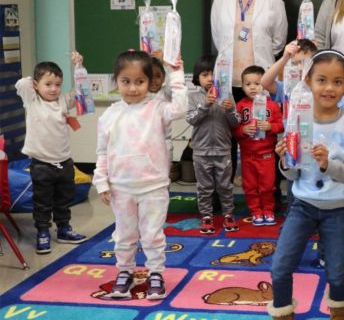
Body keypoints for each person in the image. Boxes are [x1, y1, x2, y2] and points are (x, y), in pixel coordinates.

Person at [270, 50, 344, 320]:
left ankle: (339, 316)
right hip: (303, 204)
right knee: (281, 265)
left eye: (337, 82)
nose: (328, 88)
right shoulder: (297, 120)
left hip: (340, 208)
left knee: (337, 269)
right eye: (321, 80)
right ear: (308, 81)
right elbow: (293, 172)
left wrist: (328, 164)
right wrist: (284, 158)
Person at [92, 50, 187, 300]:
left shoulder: (158, 108)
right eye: (126, 81)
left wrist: (176, 73)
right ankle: (125, 272)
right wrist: (101, 181)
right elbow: (102, 152)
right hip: (121, 187)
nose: (133, 88)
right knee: (124, 234)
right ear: (117, 82)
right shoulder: (110, 115)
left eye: (140, 82)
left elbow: (180, 107)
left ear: (150, 82)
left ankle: (156, 273)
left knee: (153, 234)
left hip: (153, 185)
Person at [15, 58, 87, 255]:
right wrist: (36, 79)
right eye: (48, 84)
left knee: (64, 200)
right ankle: (43, 231)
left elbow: (81, 90)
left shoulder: (63, 101)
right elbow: (21, 84)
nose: (54, 89)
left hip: (64, 163)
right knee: (42, 201)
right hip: (41, 165)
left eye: (57, 84)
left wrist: (78, 66)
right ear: (36, 86)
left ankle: (64, 229)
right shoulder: (32, 101)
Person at [210, 0, 287, 102]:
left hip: (260, 79)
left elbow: (279, 42)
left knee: (259, 124)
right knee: (229, 123)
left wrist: (260, 48)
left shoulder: (274, 1)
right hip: (229, 78)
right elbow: (218, 37)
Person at [261, 39, 319, 214]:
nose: (299, 67)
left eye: (304, 63)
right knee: (294, 184)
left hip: (315, 143)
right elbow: (265, 82)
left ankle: (315, 220)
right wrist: (285, 58)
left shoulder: (320, 87)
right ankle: (293, 218)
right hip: (292, 143)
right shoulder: (288, 87)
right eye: (295, 63)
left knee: (314, 182)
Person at [186, 55, 241, 234]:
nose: (210, 78)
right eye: (205, 74)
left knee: (225, 186)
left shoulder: (228, 96)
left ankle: (228, 214)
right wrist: (204, 105)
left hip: (223, 150)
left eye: (214, 74)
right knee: (204, 187)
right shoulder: (193, 97)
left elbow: (236, 122)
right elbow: (191, 119)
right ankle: (207, 216)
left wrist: (230, 109)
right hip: (201, 151)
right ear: (197, 78)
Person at [233, 65, 283, 226]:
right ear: (242, 86)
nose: (253, 87)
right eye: (248, 84)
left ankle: (268, 210)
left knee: (268, 186)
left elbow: (282, 124)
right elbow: (233, 129)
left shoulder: (273, 105)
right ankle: (255, 211)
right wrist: (243, 130)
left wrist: (271, 127)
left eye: (257, 83)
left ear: (264, 84)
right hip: (248, 155)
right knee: (250, 186)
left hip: (267, 155)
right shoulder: (240, 106)